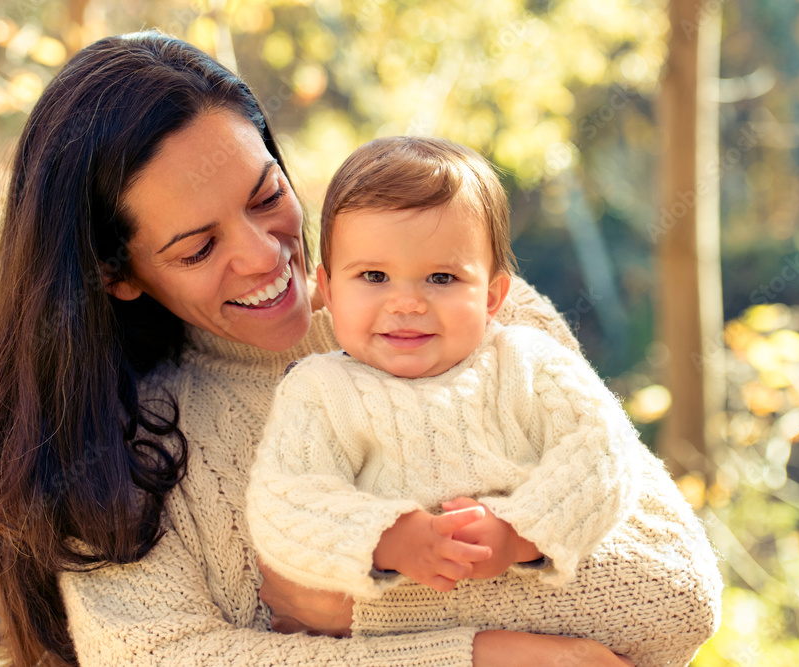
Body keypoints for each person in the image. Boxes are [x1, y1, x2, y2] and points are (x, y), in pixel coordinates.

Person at [0, 31, 722, 667]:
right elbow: (155, 657)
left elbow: (674, 593)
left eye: (265, 196)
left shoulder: (474, 307)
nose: (260, 254)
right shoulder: (118, 448)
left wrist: (351, 606)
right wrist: (496, 653)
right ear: (118, 274)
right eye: (197, 246)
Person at [246, 135, 646, 602]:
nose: (408, 303)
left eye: (442, 277)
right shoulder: (321, 390)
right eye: (374, 276)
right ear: (329, 291)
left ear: (493, 297)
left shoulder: (526, 361)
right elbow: (283, 501)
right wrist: (385, 538)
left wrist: (521, 532)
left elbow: (603, 449)